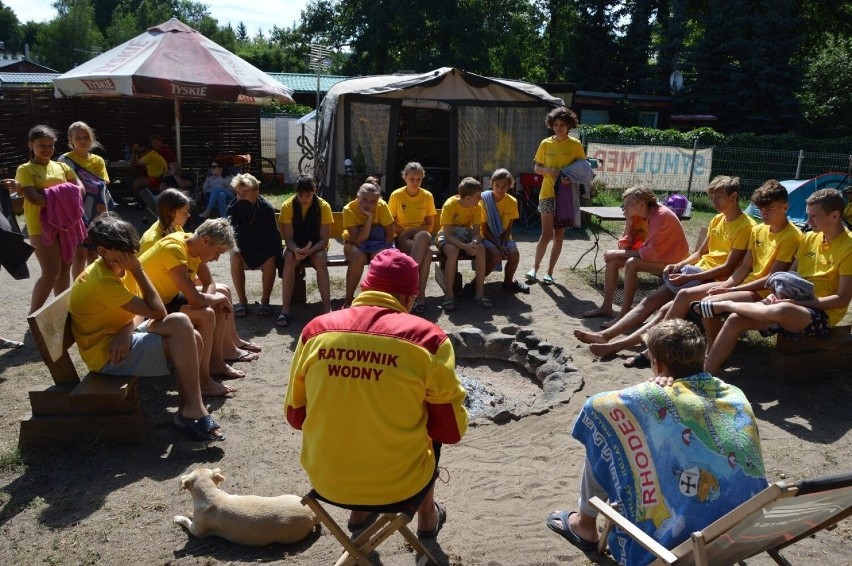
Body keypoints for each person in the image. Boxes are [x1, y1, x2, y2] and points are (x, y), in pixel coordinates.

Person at [547, 319, 766, 565]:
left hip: (681, 542)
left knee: (603, 421)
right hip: (744, 529)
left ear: (657, 363)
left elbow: (596, 405)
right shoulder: (735, 396)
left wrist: (649, 394)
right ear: (701, 355)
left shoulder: (654, 398)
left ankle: (584, 524)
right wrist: (657, 395)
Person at [284, 248, 468, 538]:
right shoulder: (429, 339)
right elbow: (451, 431)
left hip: (326, 480)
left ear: (363, 288)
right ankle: (428, 518)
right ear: (409, 298)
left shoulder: (315, 331)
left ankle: (359, 515)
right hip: (398, 486)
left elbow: (295, 417)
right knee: (432, 436)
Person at [583, 179, 802, 360]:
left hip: (718, 279)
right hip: (705, 275)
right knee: (650, 301)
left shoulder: (749, 227)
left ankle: (643, 349)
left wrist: (724, 286)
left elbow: (734, 268)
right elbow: (703, 254)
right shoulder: (722, 221)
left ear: (734, 197)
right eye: (712, 198)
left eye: (719, 197)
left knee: (670, 305)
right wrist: (681, 265)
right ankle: (608, 336)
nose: (714, 202)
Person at [68, 214, 225, 441]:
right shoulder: (104, 280)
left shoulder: (117, 269)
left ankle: (189, 410)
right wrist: (138, 270)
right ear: (103, 251)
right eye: (126, 253)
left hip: (120, 337)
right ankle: (192, 411)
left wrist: (126, 330)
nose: (132, 257)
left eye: (133, 250)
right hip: (107, 355)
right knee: (183, 327)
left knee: (186, 330)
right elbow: (158, 311)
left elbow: (138, 312)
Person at [702, 188, 852, 374]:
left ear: (835, 215)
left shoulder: (849, 247)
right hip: (790, 302)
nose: (807, 221)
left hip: (821, 313)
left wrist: (796, 302)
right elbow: (788, 276)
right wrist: (778, 293)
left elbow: (842, 299)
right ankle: (705, 374)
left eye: (814, 217)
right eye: (808, 215)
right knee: (735, 320)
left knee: (781, 309)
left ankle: (729, 304)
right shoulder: (808, 238)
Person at [139, 218, 245, 396]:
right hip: (145, 308)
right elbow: (195, 301)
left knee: (218, 296)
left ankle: (216, 361)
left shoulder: (193, 244)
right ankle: (203, 381)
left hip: (165, 298)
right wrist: (214, 299)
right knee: (207, 314)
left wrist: (214, 297)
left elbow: (208, 282)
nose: (217, 258)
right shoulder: (175, 249)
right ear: (205, 240)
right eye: (217, 252)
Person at [3, 125, 84, 314]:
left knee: (65, 271)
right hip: (40, 226)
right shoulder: (25, 170)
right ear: (30, 145)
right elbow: (35, 200)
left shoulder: (62, 167)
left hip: (66, 225)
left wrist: (48, 193)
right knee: (50, 274)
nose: (47, 149)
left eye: (50, 145)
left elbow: (79, 191)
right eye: (41, 145)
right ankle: (34, 315)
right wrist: (63, 193)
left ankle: (61, 312)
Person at [582, 186, 689, 327]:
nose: (623, 208)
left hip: (673, 264)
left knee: (632, 263)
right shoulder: (638, 217)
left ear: (642, 204)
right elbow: (624, 247)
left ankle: (624, 313)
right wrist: (629, 223)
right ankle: (606, 307)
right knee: (613, 260)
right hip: (657, 259)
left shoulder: (661, 216)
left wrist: (619, 253)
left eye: (627, 205)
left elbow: (649, 253)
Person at [526, 106, 586, 285]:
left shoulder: (575, 145)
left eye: (562, 125)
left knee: (558, 235)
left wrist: (570, 178)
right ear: (551, 125)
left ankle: (549, 272)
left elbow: (583, 169)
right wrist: (547, 170)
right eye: (556, 124)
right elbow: (537, 168)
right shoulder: (545, 143)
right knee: (545, 235)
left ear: (569, 126)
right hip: (547, 193)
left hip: (565, 196)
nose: (559, 128)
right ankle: (534, 269)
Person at [59, 121, 115, 279]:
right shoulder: (64, 161)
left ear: (91, 139)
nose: (82, 141)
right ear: (70, 139)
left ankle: (91, 285)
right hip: (76, 212)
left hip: (96, 212)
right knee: (80, 254)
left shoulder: (98, 160)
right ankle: (77, 287)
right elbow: (63, 185)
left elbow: (101, 185)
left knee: (94, 253)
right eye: (78, 138)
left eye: (86, 137)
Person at [277, 174, 333, 327]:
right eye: (300, 194)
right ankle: (285, 310)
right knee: (288, 258)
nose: (303, 198)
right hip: (295, 247)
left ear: (314, 191)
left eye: (307, 194)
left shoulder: (323, 207)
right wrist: (296, 250)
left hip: (316, 247)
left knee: (320, 258)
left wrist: (308, 252)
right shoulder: (288, 206)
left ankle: (327, 309)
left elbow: (324, 240)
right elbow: (288, 239)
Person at [226, 173, 282, 318]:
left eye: (245, 192)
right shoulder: (233, 207)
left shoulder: (266, 209)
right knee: (235, 255)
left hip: (263, 248)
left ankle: (265, 301)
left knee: (270, 259)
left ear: (256, 192)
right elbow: (230, 235)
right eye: (238, 193)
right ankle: (242, 302)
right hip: (244, 248)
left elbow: (272, 237)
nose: (240, 196)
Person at [388, 162, 437, 315]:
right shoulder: (396, 195)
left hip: (419, 236)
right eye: (412, 179)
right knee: (427, 254)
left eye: (419, 179)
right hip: (402, 237)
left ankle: (409, 288)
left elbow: (429, 225)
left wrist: (414, 231)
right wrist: (406, 233)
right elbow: (391, 222)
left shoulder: (427, 196)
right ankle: (420, 296)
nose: (415, 182)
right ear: (405, 178)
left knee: (422, 236)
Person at [436, 177, 490, 311]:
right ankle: (449, 295)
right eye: (478, 196)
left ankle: (479, 294)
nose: (481, 198)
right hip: (447, 236)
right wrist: (465, 247)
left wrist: (474, 242)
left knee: (481, 249)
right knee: (453, 252)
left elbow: (477, 233)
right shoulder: (449, 205)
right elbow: (448, 235)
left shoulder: (476, 207)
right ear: (467, 198)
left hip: (465, 234)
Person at [341, 179, 394, 308]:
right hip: (355, 243)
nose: (368, 204)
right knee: (359, 257)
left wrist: (380, 251)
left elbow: (389, 237)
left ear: (378, 200)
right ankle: (348, 299)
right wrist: (369, 219)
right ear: (358, 197)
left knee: (380, 258)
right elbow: (358, 239)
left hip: (378, 242)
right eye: (364, 199)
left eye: (373, 201)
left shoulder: (382, 206)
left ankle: (376, 300)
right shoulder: (349, 209)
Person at [479, 169, 529, 294]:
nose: (500, 189)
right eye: (497, 185)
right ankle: (475, 284)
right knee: (496, 255)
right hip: (485, 236)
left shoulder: (512, 202)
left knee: (514, 254)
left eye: (504, 186)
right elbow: (484, 230)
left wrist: (503, 244)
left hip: (503, 237)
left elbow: (508, 228)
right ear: (491, 184)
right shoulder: (483, 200)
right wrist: (498, 246)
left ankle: (508, 282)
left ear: (510, 186)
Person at [139, 188, 191, 254]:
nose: (188, 215)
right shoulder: (152, 242)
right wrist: (173, 243)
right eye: (184, 212)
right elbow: (181, 261)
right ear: (171, 213)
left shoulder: (175, 226)